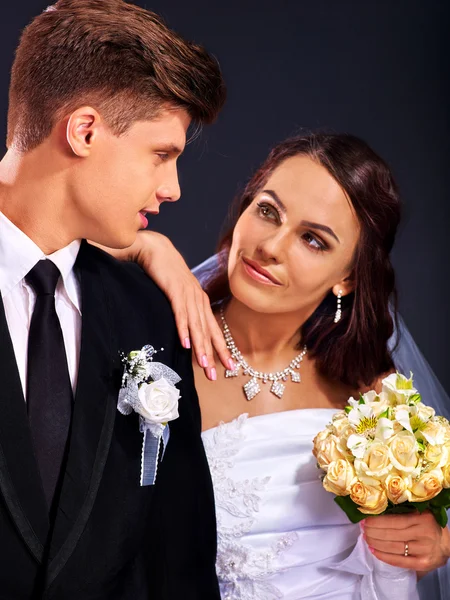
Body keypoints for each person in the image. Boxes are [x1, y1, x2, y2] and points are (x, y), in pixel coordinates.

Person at [113, 132, 450, 599]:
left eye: (313, 240)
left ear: (347, 277)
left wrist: (430, 540)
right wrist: (147, 247)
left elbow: (416, 540)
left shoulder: (378, 398)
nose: (271, 245)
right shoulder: (158, 352)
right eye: (268, 211)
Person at [0, 0, 231, 597]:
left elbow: (177, 558)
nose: (173, 188)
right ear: (84, 131)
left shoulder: (152, 316)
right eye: (162, 154)